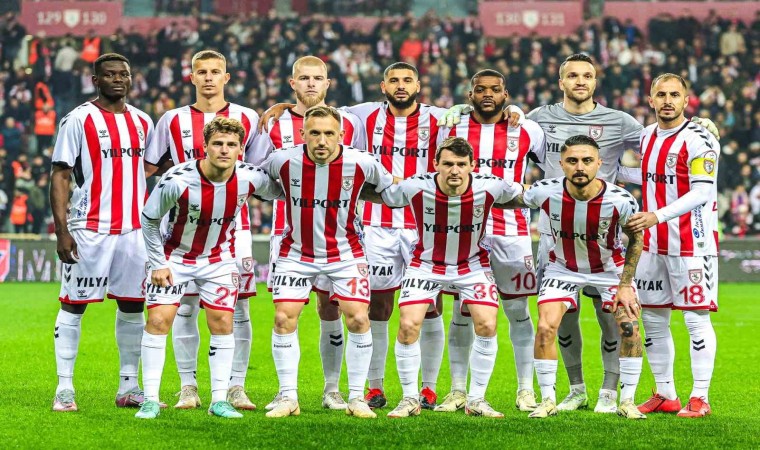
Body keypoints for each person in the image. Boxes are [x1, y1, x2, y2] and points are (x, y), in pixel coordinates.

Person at [438, 53, 718, 413]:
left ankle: (611, 392)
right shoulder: (539, 119)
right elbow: (502, 122)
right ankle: (576, 390)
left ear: (595, 81)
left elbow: (661, 154)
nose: (580, 81)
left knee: (612, 316)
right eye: (572, 75)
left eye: (587, 75)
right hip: (555, 236)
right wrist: (463, 110)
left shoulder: (623, 123)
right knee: (561, 317)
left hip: (607, 237)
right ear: (561, 82)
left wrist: (700, 125)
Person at [362, 136, 524, 418]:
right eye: (448, 164)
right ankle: (410, 399)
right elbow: (384, 195)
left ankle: (476, 399)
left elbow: (524, 195)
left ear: (472, 165)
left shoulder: (491, 185)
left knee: (487, 324)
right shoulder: (415, 186)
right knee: (408, 326)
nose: (455, 170)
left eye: (461, 164)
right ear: (435, 164)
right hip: (425, 265)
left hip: (472, 265)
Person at [135, 117, 282, 419]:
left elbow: (283, 191)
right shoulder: (177, 179)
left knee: (223, 323)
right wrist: (158, 263)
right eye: (218, 143)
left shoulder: (250, 177)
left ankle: (219, 400)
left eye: (231, 144)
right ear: (205, 146)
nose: (224, 150)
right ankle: (150, 399)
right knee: (159, 321)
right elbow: (149, 219)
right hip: (175, 258)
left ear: (240, 149)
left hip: (219, 259)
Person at [258, 106, 394, 419]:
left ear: (341, 135)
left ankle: (357, 397)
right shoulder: (282, 160)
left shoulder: (362, 162)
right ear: (303, 134)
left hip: (346, 253)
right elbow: (260, 183)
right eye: (315, 133)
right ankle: (288, 397)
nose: (322, 140)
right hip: (297, 252)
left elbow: (390, 189)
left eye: (329, 133)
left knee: (358, 318)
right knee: (283, 318)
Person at [247, 56, 365, 411]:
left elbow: (360, 171)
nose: (311, 84)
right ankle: (287, 393)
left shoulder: (350, 121)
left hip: (339, 236)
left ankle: (333, 389)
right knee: (286, 314)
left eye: (317, 78)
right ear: (292, 83)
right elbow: (258, 174)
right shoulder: (272, 123)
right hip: (289, 235)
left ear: (328, 83)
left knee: (332, 311)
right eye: (304, 78)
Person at [144, 50, 260, 411]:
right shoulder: (171, 119)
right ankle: (188, 386)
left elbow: (261, 170)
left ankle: (235, 387)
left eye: (215, 72)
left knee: (237, 309)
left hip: (234, 229)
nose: (209, 78)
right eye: (202, 72)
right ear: (191, 77)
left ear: (226, 77)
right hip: (181, 226)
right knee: (184, 308)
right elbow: (150, 166)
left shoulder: (248, 117)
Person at [502, 135, 646, 419]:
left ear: (599, 163)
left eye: (587, 160)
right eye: (572, 161)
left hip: (609, 269)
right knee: (546, 328)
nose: (580, 167)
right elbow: (506, 200)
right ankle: (551, 399)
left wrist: (626, 285)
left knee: (629, 328)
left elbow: (636, 240)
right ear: (561, 164)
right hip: (562, 268)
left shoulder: (620, 199)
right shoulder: (545, 191)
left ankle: (624, 400)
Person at [434, 69, 546, 413]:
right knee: (462, 311)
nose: (487, 95)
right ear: (469, 95)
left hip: (512, 232)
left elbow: (552, 165)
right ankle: (457, 390)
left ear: (505, 94)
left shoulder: (527, 129)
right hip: (465, 230)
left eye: (494, 89)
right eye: (480, 89)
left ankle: (525, 390)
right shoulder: (451, 127)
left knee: (518, 311)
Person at [50, 53, 153, 412]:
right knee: (73, 304)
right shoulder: (78, 119)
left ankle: (129, 386)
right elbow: (61, 174)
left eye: (123, 74)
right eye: (109, 75)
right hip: (90, 228)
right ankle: (65, 388)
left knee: (133, 305)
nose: (118, 79)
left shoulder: (142, 121)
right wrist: (62, 231)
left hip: (135, 230)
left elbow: (147, 167)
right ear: (95, 80)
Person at [627, 73, 720, 418]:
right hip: (652, 245)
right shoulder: (646, 136)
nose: (668, 101)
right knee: (653, 319)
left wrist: (656, 215)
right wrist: (611, 173)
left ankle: (700, 396)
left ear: (686, 100)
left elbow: (701, 191)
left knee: (696, 320)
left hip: (692, 244)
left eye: (674, 95)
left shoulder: (699, 139)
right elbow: (649, 175)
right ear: (650, 100)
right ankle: (666, 393)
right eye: (661, 95)